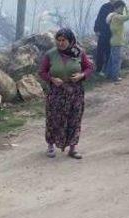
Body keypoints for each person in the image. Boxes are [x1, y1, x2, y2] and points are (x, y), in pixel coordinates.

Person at [39, 28, 94, 160]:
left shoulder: (78, 53)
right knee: (54, 119)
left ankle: (73, 148)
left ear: (70, 41)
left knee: (74, 119)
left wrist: (81, 75)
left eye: (64, 40)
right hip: (56, 93)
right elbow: (42, 72)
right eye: (58, 40)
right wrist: (52, 79)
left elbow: (90, 68)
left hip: (75, 92)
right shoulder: (50, 54)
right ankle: (51, 146)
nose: (60, 43)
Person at [105, 1, 129, 83]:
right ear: (117, 8)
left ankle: (109, 74)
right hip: (117, 42)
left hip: (114, 40)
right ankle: (115, 77)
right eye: (122, 8)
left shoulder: (113, 16)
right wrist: (127, 7)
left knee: (111, 59)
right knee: (116, 60)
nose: (123, 10)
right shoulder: (117, 17)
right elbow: (128, 17)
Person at [94, 0, 117, 75]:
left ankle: (108, 70)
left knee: (110, 52)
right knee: (100, 51)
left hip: (113, 33)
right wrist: (96, 29)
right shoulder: (104, 7)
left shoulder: (118, 7)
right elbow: (99, 18)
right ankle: (99, 69)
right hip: (103, 32)